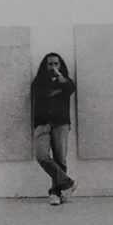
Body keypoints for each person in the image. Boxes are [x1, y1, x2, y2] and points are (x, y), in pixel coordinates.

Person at [31, 52, 77, 205]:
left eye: (56, 64)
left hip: (61, 123)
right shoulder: (38, 81)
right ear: (45, 66)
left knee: (60, 159)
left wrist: (62, 80)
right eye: (50, 64)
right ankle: (68, 183)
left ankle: (55, 193)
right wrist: (59, 91)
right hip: (42, 123)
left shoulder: (66, 81)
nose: (53, 67)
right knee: (42, 155)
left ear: (60, 65)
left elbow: (71, 88)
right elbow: (42, 94)